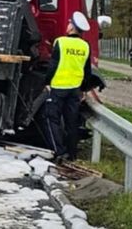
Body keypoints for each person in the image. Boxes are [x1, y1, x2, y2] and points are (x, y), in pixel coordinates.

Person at [42, 12, 93, 162]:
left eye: (69, 23)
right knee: (71, 122)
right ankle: (72, 154)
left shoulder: (61, 42)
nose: (67, 25)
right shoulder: (85, 46)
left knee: (51, 119)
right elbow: (87, 71)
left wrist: (47, 82)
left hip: (59, 87)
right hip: (75, 89)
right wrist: (83, 89)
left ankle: (59, 151)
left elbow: (53, 65)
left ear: (72, 27)